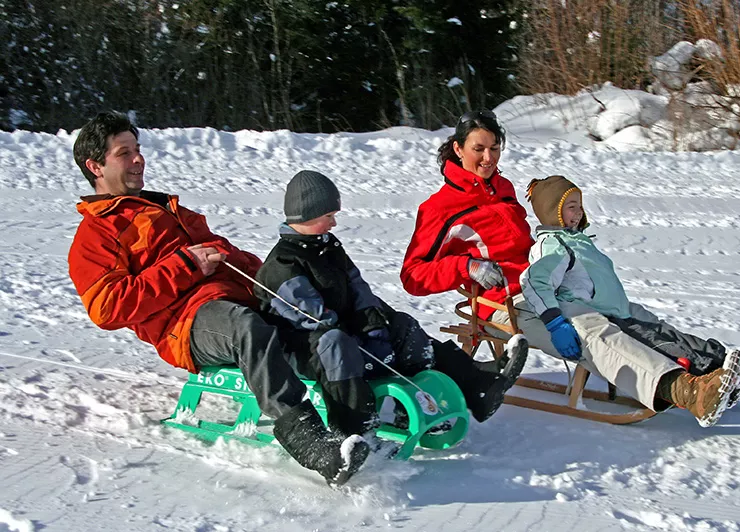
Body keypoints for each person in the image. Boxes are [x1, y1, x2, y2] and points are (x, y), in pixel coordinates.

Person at [67, 112, 368, 486]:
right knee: (248, 329)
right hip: (185, 323)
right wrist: (184, 264)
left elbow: (224, 252)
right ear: (95, 166)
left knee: (312, 315)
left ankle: (358, 415)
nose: (138, 159)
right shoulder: (96, 234)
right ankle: (305, 438)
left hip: (233, 296)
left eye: (138, 150)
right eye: (124, 153)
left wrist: (275, 279)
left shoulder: (166, 208)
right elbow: (108, 307)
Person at [500, 174, 740, 426]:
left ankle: (735, 375)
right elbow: (533, 281)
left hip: (618, 309)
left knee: (667, 333)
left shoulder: (578, 240)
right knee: (656, 344)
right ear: (553, 212)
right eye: (571, 208)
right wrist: (555, 323)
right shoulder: (552, 244)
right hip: (599, 316)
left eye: (580, 206)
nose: (578, 213)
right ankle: (698, 390)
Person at [254, 170, 529, 440]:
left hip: (343, 335)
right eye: (329, 217)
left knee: (402, 326)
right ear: (307, 214)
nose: (334, 224)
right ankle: (355, 431)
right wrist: (363, 338)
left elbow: (357, 285)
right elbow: (314, 319)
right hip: (311, 350)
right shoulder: (282, 265)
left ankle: (461, 393)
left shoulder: (326, 245)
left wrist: (373, 323)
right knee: (340, 343)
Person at [400, 110, 533, 326]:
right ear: (458, 149)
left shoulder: (503, 188)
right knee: (589, 337)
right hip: (504, 302)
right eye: (478, 149)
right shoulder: (439, 208)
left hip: (539, 287)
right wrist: (467, 266)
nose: (489, 158)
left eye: (495, 148)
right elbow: (412, 275)